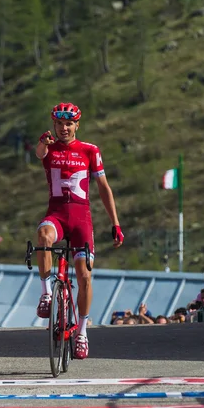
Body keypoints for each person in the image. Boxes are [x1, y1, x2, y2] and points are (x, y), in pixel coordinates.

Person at [35, 102, 124, 360]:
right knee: (43, 236)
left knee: (84, 276)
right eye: (60, 123)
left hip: (82, 219)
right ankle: (47, 294)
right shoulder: (49, 148)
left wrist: (115, 223)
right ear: (54, 125)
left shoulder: (90, 150)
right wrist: (42, 141)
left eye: (69, 124)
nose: (64, 128)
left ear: (77, 125)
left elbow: (104, 188)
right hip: (57, 215)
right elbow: (40, 153)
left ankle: (82, 332)